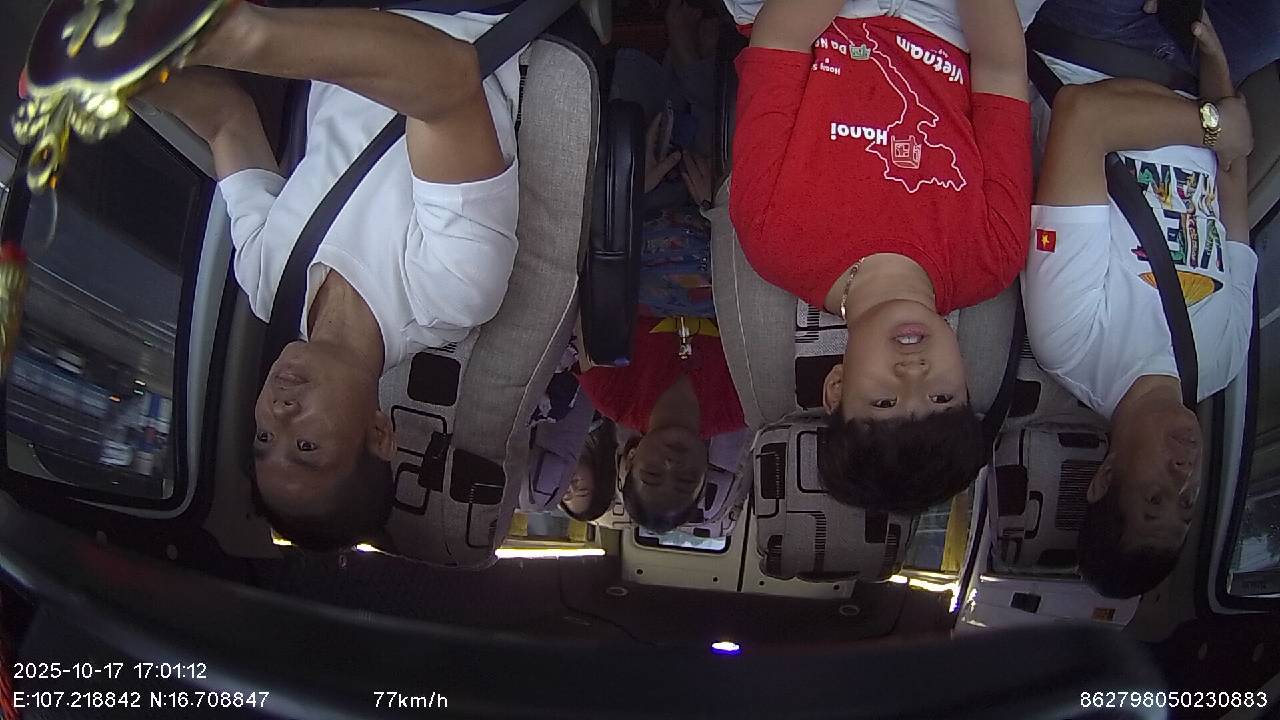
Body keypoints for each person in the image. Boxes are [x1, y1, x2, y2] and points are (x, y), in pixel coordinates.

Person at [141, 5, 522, 550]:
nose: (280, 414)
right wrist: (237, 36)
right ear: (379, 433)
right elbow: (443, 79)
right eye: (307, 447)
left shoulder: (265, 282)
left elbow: (227, 120)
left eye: (264, 437)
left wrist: (128, 82)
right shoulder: (451, 291)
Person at [726, 0, 1037, 512]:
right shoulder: (992, 255)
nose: (913, 371)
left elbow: (779, 41)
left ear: (837, 388)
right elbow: (1001, 73)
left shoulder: (775, 239)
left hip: (818, 17)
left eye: (884, 401)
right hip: (958, 25)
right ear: (965, 380)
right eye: (942, 397)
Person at [1022, 13, 1255, 598]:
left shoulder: (1071, 340)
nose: (1184, 478)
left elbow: (1084, 117)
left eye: (1155, 498)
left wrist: (1213, 124)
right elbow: (1233, 180)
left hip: (1100, 47)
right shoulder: (1224, 359)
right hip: (1197, 74)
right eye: (1187, 504)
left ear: (1104, 478)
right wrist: (1213, 60)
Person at [577, 323, 746, 534]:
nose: (671, 464)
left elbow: (587, 312)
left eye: (652, 472)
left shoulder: (610, 394)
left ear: (631, 457)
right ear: (705, 472)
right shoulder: (743, 405)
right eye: (686, 479)